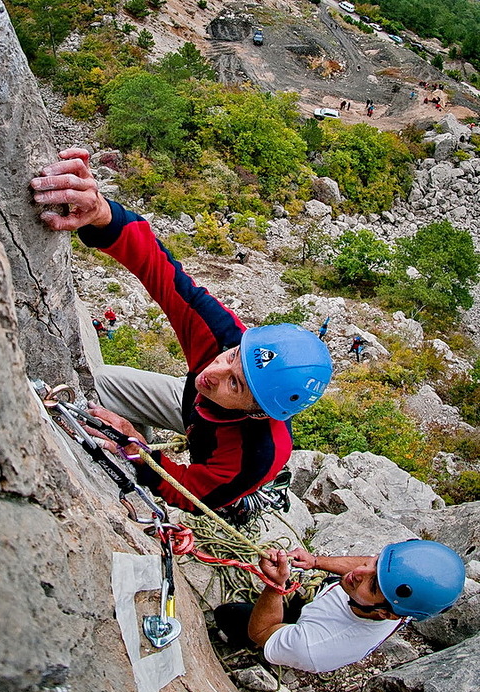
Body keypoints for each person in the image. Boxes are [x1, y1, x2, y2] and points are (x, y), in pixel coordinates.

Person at [31, 149, 333, 513]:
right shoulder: (225, 340)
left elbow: (188, 493)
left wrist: (137, 451)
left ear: (257, 413)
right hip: (191, 405)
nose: (214, 372)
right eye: (233, 357)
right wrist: (101, 214)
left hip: (217, 445)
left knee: (194, 470)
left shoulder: (258, 453)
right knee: (100, 382)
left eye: (235, 381)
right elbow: (162, 272)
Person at [214, 540, 465, 673]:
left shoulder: (315, 647)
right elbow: (372, 570)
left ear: (386, 613)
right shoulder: (399, 598)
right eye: (373, 562)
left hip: (306, 633)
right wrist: (315, 562)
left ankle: (252, 648)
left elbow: (260, 632)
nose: (359, 571)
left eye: (373, 586)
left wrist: (275, 585)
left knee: (227, 614)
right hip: (319, 608)